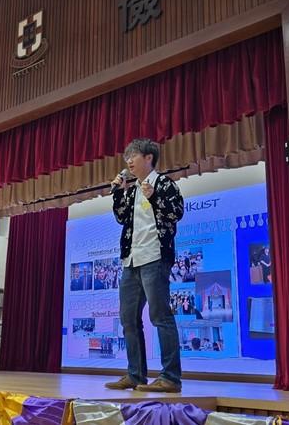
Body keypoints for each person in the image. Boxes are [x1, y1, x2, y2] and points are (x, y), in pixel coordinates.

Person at [104, 138, 184, 393]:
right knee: (128, 319)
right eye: (127, 157)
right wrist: (118, 192)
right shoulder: (132, 189)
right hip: (131, 260)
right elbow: (121, 218)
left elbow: (177, 212)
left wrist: (155, 196)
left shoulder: (164, 183)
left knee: (160, 316)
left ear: (149, 158)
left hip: (155, 257)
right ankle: (135, 375)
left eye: (134, 156)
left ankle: (170, 377)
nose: (129, 161)